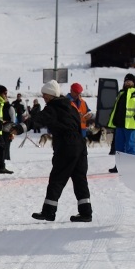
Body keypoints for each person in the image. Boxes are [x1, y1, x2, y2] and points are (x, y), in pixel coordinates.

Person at [30, 80, 92, 223]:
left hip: (67, 145)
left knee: (57, 178)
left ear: (50, 95)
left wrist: (20, 127)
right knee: (80, 178)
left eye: (45, 95)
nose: (43, 97)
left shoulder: (53, 108)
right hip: (80, 145)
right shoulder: (70, 106)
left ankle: (49, 212)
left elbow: (38, 119)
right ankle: (86, 213)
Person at [108, 73, 135, 172]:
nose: (127, 83)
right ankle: (119, 166)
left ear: (134, 82)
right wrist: (114, 119)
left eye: (129, 81)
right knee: (119, 146)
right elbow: (116, 108)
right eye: (126, 81)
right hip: (120, 124)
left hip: (131, 125)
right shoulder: (121, 93)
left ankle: (131, 167)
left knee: (130, 146)